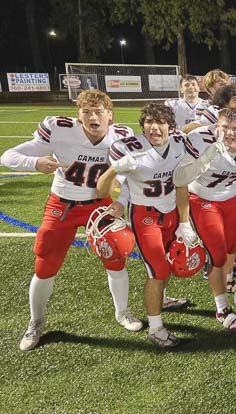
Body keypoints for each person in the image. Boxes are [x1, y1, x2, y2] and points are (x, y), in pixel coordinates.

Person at [1, 89, 142, 351]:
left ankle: (122, 313)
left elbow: (128, 175)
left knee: (116, 258)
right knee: (45, 265)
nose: (93, 117)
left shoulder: (122, 136)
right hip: (62, 205)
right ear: (78, 117)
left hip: (99, 205)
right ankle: (36, 321)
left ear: (110, 115)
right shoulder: (60, 129)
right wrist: (34, 162)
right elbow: (8, 156)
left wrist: (121, 201)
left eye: (99, 111)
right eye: (86, 112)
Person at [96, 103, 203, 348]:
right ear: (142, 125)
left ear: (171, 127)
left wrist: (184, 222)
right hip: (145, 216)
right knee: (158, 271)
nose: (154, 128)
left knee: (167, 265)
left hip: (171, 213)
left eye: (160, 123)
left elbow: (181, 184)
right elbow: (102, 189)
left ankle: (162, 300)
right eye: (149, 122)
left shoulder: (179, 144)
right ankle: (156, 328)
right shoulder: (128, 148)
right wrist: (114, 170)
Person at [173, 108, 236, 330]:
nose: (229, 133)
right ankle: (222, 308)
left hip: (230, 198)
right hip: (202, 198)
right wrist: (184, 222)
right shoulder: (200, 139)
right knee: (216, 254)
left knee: (231, 247)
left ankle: (227, 279)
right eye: (225, 128)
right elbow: (180, 179)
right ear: (217, 127)